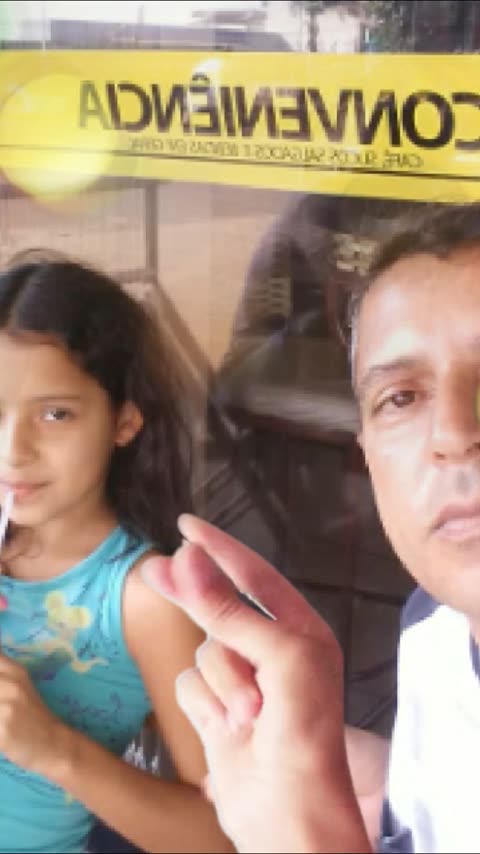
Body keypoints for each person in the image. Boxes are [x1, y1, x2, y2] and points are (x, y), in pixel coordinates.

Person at [142, 202, 480, 853]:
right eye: (401, 398)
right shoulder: (432, 630)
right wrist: (370, 776)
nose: (454, 434)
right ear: (367, 454)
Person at [0, 259, 232, 853]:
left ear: (124, 421)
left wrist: (53, 747)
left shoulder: (144, 600)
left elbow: (225, 836)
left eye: (55, 414)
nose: (12, 450)